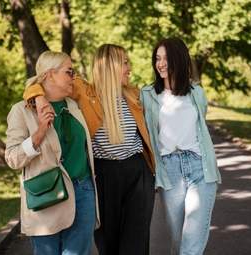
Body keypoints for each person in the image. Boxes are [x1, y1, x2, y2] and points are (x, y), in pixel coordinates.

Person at [24, 44, 157, 255]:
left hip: (137, 172)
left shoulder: (133, 95)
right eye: (124, 63)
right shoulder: (85, 92)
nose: (129, 68)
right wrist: (39, 98)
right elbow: (38, 82)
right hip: (104, 175)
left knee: (137, 242)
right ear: (109, 66)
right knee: (108, 243)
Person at [5, 51, 98, 255]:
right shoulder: (22, 111)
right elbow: (12, 158)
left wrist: (36, 93)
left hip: (83, 192)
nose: (73, 77)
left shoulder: (74, 105)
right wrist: (38, 134)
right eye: (68, 72)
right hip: (46, 195)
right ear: (49, 75)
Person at [140, 38, 221, 255]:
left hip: (200, 168)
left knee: (191, 244)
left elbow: (200, 128)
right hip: (169, 171)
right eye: (157, 58)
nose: (161, 63)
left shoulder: (197, 93)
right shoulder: (147, 95)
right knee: (178, 241)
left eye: (166, 58)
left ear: (179, 59)